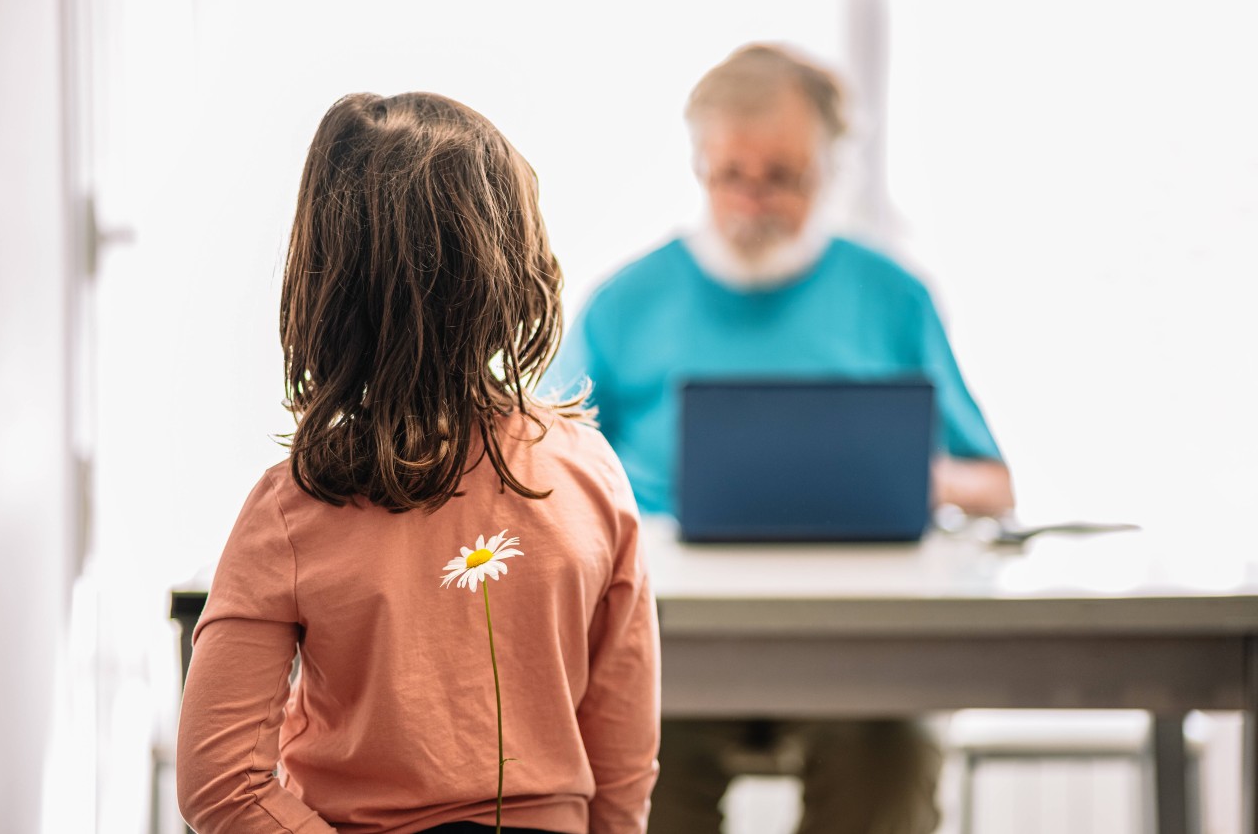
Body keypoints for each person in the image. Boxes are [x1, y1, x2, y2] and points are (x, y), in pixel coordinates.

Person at [542, 44, 1014, 833]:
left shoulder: (893, 296)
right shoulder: (625, 302)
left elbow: (992, 485)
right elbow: (538, 471)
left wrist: (909, 477)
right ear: (699, 166)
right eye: (732, 174)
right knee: (628, 780)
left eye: (782, 176)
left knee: (891, 762)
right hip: (668, 651)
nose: (752, 199)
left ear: (828, 173)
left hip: (860, 652)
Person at [176, 92, 660, 834]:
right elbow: (622, 769)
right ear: (515, 269)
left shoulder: (293, 509)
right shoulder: (588, 472)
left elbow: (222, 788)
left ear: (329, 286)